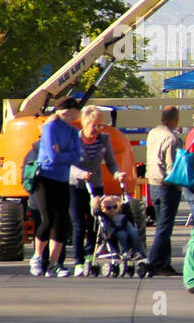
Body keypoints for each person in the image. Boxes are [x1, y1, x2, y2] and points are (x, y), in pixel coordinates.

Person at [70, 105, 126, 276]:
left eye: (100, 125)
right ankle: (78, 261)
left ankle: (90, 255)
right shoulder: (74, 140)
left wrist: (117, 173)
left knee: (95, 223)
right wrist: (81, 173)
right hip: (77, 185)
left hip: (96, 185)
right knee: (79, 223)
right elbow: (68, 165)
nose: (97, 129)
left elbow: (110, 161)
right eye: (94, 125)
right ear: (85, 124)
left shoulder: (104, 139)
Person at [31, 97, 83, 277]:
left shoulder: (73, 131)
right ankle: (37, 257)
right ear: (68, 110)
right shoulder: (50, 127)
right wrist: (66, 155)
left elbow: (78, 157)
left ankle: (54, 263)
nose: (77, 114)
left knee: (62, 221)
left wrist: (63, 154)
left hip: (62, 178)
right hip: (45, 177)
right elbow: (52, 157)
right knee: (48, 219)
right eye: (76, 111)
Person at [145, 105, 184, 276]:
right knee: (164, 227)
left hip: (153, 182)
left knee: (162, 224)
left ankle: (164, 263)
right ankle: (153, 262)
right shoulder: (172, 138)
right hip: (167, 185)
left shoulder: (153, 133)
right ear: (175, 120)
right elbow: (172, 167)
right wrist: (179, 183)